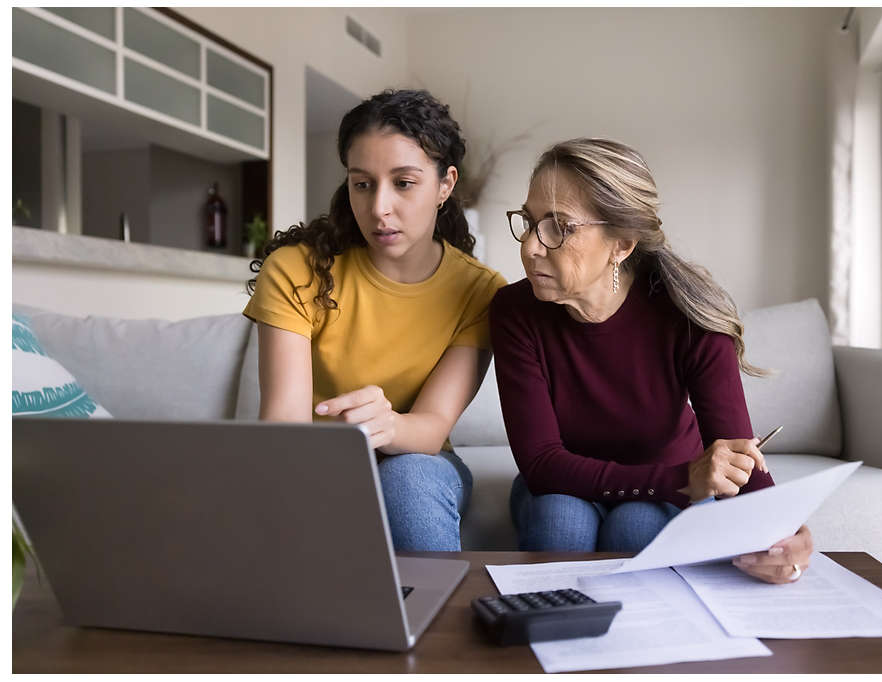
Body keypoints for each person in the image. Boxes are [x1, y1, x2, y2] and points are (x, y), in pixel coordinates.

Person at [490, 138, 813, 583]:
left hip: (665, 492)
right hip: (570, 483)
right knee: (560, 519)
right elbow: (543, 463)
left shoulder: (690, 315)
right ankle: (537, 641)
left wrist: (782, 535)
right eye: (528, 222)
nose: (530, 246)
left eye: (558, 228)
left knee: (635, 524)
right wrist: (681, 479)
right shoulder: (515, 311)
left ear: (621, 244)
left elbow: (734, 455)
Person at [244, 89, 506, 551]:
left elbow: (431, 426)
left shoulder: (480, 291)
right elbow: (284, 425)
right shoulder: (295, 269)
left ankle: (441, 621)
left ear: (445, 185)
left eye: (403, 183)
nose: (379, 208)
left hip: (416, 460)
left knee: (407, 480)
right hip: (312, 462)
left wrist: (385, 425)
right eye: (362, 184)